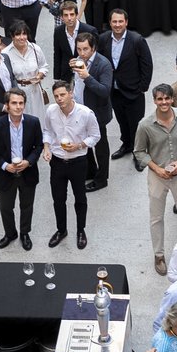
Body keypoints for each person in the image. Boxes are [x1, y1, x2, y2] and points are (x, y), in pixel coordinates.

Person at [137, 84, 177, 275]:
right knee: (156, 217)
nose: (163, 102)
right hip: (157, 177)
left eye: (167, 99)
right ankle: (159, 255)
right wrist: (157, 169)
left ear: (172, 99)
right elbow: (139, 152)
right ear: (154, 101)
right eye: (159, 99)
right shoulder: (145, 125)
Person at [42, 79, 101, 249]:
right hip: (57, 161)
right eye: (56, 96)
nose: (59, 99)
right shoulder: (51, 111)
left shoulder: (85, 113)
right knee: (58, 199)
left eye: (62, 95)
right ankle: (61, 230)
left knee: (80, 198)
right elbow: (47, 131)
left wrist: (80, 145)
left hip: (78, 162)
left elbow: (95, 136)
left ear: (70, 94)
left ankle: (81, 230)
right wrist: (46, 147)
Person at [0, 89, 42, 251]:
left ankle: (24, 233)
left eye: (21, 103)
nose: (18, 107)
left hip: (28, 172)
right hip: (5, 174)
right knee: (5, 207)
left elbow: (38, 146)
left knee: (27, 206)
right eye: (14, 103)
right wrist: (5, 166)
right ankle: (10, 234)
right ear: (7, 106)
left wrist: (29, 162)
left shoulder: (33, 122)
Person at [99, 8, 154, 164]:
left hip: (133, 91)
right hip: (114, 91)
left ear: (126, 22)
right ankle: (127, 145)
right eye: (114, 21)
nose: (117, 25)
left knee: (136, 124)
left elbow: (147, 65)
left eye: (120, 21)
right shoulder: (103, 39)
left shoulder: (137, 40)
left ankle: (139, 152)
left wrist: (142, 87)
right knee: (122, 120)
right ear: (110, 23)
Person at [71, 32, 113, 192]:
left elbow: (104, 90)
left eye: (85, 49)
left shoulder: (103, 64)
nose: (81, 53)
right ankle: (91, 170)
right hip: (80, 110)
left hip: (97, 113)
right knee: (84, 143)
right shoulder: (80, 60)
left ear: (93, 48)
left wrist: (87, 77)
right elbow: (76, 83)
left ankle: (102, 178)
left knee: (100, 146)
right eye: (79, 49)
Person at [2, 21, 49, 125]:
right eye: (18, 34)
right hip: (17, 91)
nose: (22, 37)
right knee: (20, 120)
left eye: (24, 34)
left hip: (35, 90)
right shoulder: (6, 53)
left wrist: (39, 75)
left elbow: (44, 66)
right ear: (12, 36)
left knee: (38, 119)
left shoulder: (35, 49)